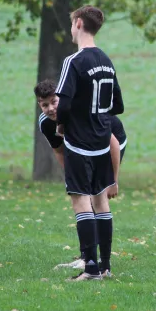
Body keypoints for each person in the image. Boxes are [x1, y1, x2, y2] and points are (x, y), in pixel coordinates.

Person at [55, 5, 124, 281]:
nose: (71, 28)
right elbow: (117, 104)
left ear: (80, 23)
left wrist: (62, 126)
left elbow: (64, 104)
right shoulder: (107, 61)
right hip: (101, 142)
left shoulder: (73, 61)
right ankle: (106, 267)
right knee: (101, 202)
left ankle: (91, 269)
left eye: (73, 24)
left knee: (81, 203)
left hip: (79, 144)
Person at [33, 79, 127, 272]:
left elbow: (113, 144)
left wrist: (113, 181)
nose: (50, 108)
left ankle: (103, 266)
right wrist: (72, 177)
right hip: (84, 147)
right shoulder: (45, 124)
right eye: (45, 105)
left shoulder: (80, 112)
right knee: (82, 198)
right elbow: (59, 150)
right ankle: (87, 259)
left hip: (112, 143)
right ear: (39, 105)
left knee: (97, 197)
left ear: (62, 98)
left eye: (54, 101)